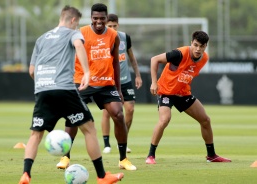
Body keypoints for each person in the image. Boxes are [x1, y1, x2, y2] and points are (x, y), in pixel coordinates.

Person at [18, 5, 124, 184]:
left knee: (35, 135)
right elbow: (78, 46)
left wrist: (45, 82)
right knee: (89, 129)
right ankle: (102, 176)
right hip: (65, 88)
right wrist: (87, 73)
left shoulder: (41, 38)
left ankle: (26, 174)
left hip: (42, 89)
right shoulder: (73, 33)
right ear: (73, 20)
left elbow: (31, 70)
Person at [56, 3, 137, 171]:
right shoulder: (80, 33)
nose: (99, 22)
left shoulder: (113, 35)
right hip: (83, 81)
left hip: (106, 83)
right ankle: (65, 157)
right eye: (95, 19)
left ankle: (123, 159)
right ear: (91, 18)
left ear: (106, 18)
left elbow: (116, 62)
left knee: (118, 114)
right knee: (73, 117)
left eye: (102, 19)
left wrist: (119, 90)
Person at [145, 30, 232, 164]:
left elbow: (185, 74)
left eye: (201, 46)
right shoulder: (179, 54)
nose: (198, 49)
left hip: (183, 93)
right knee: (164, 119)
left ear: (205, 46)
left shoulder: (204, 58)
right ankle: (151, 156)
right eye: (195, 45)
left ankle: (211, 155)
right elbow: (154, 59)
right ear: (191, 43)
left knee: (205, 120)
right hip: (166, 92)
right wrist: (154, 82)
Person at [101, 13, 142, 154]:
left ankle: (124, 140)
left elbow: (131, 57)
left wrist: (137, 75)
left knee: (130, 109)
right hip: (108, 81)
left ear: (118, 25)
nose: (112, 28)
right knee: (108, 112)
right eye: (109, 26)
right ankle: (107, 144)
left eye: (114, 26)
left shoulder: (125, 37)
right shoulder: (101, 39)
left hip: (125, 80)